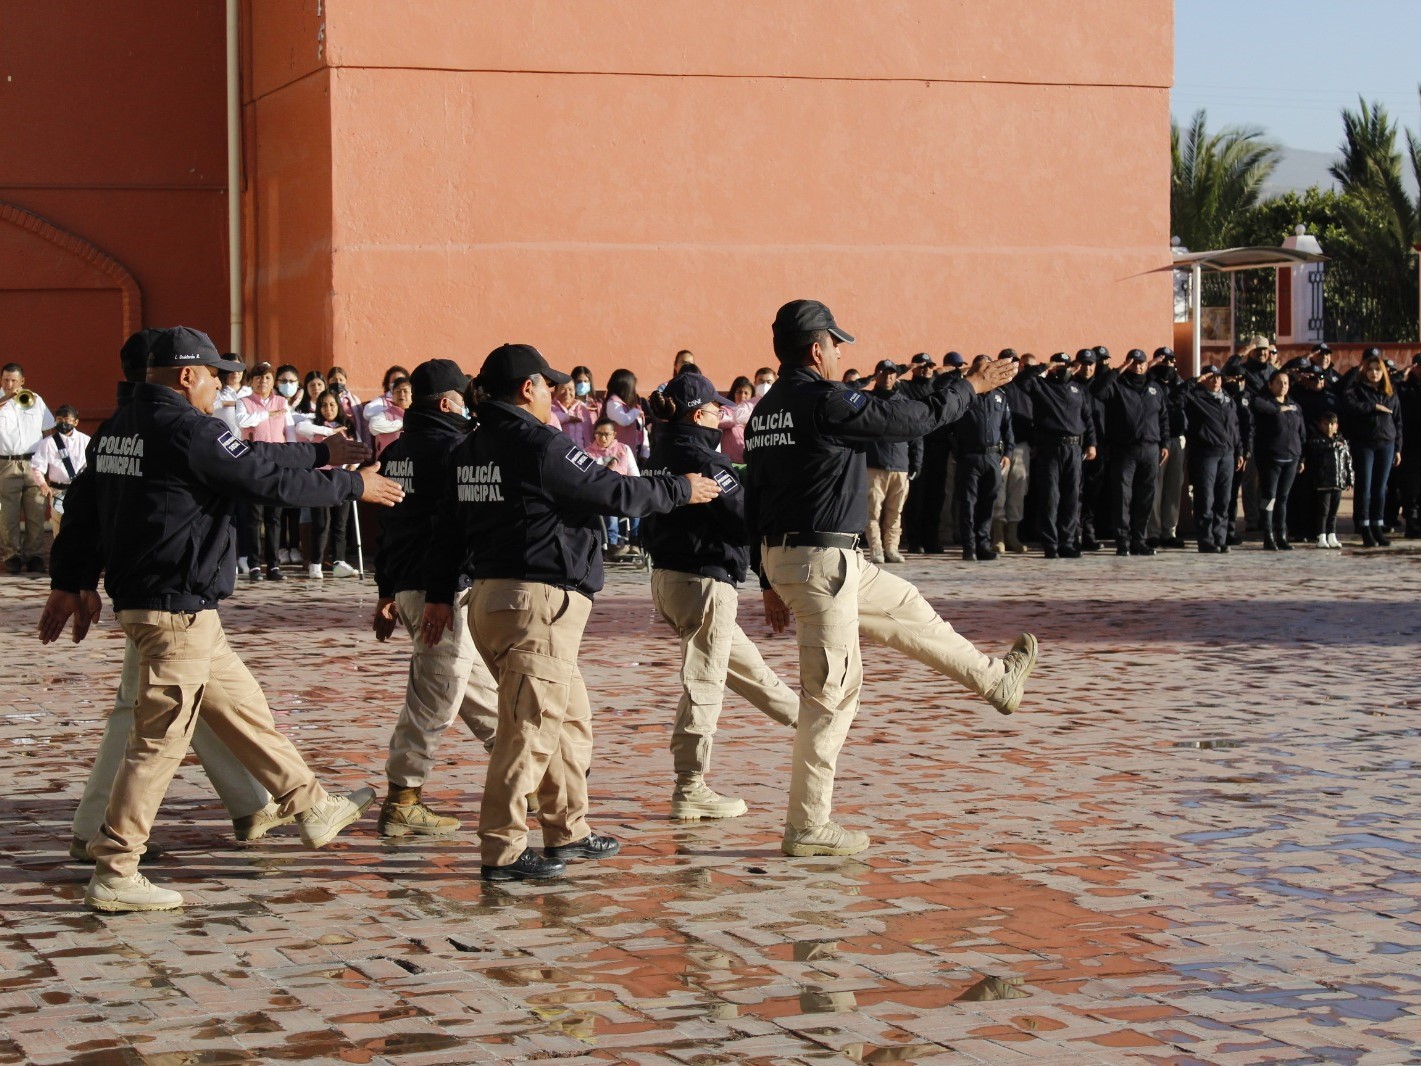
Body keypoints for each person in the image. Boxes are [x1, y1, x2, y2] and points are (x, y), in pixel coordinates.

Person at [39, 326, 405, 912]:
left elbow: (83, 508)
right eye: (216, 375)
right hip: (173, 604)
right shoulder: (187, 428)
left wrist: (70, 579)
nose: (220, 385)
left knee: (241, 706)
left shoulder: (119, 428)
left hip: (172, 605)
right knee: (157, 742)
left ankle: (308, 804)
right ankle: (116, 868)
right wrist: (349, 484)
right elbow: (262, 478)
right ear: (188, 376)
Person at [745, 300, 1035, 859]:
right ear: (815, 349)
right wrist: (969, 386)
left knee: (909, 608)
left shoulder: (769, 410)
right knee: (831, 695)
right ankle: (808, 826)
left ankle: (996, 680)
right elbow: (908, 422)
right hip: (819, 563)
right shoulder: (824, 401)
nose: (842, 352)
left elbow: (755, 496)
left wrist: (765, 579)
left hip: (808, 560)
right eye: (837, 344)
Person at [421, 343, 720, 882]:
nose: (556, 393)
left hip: (495, 599)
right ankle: (503, 850)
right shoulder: (540, 444)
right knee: (530, 729)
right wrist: (682, 488)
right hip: (537, 605)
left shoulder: (468, 449)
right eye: (547, 384)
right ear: (526, 388)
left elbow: (446, 528)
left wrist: (441, 593)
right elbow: (611, 492)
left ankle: (568, 830)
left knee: (568, 722)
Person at [642, 372, 799, 820]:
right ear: (698, 414)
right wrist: (771, 579)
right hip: (703, 582)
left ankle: (811, 722)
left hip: (669, 579)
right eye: (715, 408)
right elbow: (744, 522)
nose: (722, 413)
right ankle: (690, 785)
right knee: (705, 681)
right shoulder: (705, 461)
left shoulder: (662, 450)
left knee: (745, 666)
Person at [371, 359, 499, 836]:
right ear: (448, 403)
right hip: (441, 592)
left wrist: (386, 589)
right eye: (464, 399)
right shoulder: (455, 450)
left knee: (480, 692)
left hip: (410, 584)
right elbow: (449, 530)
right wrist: (441, 593)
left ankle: (528, 775)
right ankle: (404, 796)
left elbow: (390, 527)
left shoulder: (398, 450)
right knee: (435, 694)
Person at [1014, 352, 1097, 558]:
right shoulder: (1041, 386)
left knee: (1071, 497)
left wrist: (1092, 443)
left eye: (1066, 365)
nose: (1063, 369)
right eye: (1059, 366)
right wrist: (1045, 366)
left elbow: (1087, 418)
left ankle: (1067, 542)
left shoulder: (1078, 389)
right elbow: (1020, 380)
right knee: (1050, 497)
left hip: (1075, 449)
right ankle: (1051, 544)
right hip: (1050, 448)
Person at [1096, 349, 1169, 555]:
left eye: (1141, 363)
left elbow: (1163, 418)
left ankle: (1139, 540)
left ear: (1147, 365)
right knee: (1123, 497)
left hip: (1151, 449)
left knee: (1145, 497)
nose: (1138, 366)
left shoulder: (1154, 388)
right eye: (1134, 362)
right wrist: (1119, 370)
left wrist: (1165, 444)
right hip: (1125, 450)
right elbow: (1098, 391)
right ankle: (1122, 542)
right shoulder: (1117, 386)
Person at [952, 360, 1013, 561]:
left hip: (993, 457)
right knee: (968, 504)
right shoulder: (967, 396)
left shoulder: (999, 396)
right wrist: (958, 454)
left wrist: (1008, 453)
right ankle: (969, 547)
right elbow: (951, 429)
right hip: (970, 456)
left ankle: (983, 544)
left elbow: (1007, 427)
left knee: (988, 502)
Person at [238, 362, 292, 579]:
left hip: (277, 463)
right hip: (253, 463)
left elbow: (290, 431)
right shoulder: (244, 402)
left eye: (267, 378)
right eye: (259, 378)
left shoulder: (282, 402)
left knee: (274, 517)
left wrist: (293, 457)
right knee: (254, 516)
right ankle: (253, 564)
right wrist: (266, 415)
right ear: (251, 381)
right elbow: (243, 420)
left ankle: (274, 564)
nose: (263, 382)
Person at [1343, 351, 1404, 548]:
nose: (1374, 373)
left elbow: (1398, 421)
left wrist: (1398, 448)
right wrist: (1373, 407)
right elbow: (1349, 403)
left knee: (1380, 488)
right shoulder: (1358, 389)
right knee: (1365, 487)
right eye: (1370, 370)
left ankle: (1378, 525)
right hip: (1364, 443)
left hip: (1387, 443)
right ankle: (1364, 526)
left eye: (1377, 370)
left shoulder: (1391, 391)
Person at [296, 390, 359, 578]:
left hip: (343, 477)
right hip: (320, 480)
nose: (328, 408)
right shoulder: (313, 426)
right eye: (324, 405)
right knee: (321, 523)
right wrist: (330, 431)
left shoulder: (347, 426)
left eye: (332, 404)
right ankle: (316, 562)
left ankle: (339, 561)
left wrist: (352, 468)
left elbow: (357, 449)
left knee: (340, 523)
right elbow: (300, 428)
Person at [1181, 366, 1244, 553]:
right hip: (1206, 454)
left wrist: (1239, 450)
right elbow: (1176, 397)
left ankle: (1220, 538)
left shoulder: (1228, 400)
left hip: (1227, 454)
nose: (1216, 381)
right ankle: (1206, 540)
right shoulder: (1195, 397)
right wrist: (1195, 380)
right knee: (1205, 499)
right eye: (1211, 378)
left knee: (1224, 499)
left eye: (1218, 378)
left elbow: (1235, 427)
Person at [863, 359, 920, 564]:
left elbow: (916, 434)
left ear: (896, 376)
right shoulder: (866, 399)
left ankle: (892, 547)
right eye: (883, 372)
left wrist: (916, 464)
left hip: (900, 465)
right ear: (876, 374)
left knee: (895, 512)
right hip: (874, 464)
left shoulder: (905, 403)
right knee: (872, 510)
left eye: (891, 373)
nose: (887, 376)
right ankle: (876, 548)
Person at [0, 361, 56, 573]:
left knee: (36, 511)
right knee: (8, 514)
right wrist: (6, 399)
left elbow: (47, 431)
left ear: (22, 381)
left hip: (34, 463)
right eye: (6, 380)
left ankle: (34, 555)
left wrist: (49, 463)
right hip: (6, 463)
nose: (10, 384)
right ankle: (11, 555)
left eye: (14, 380)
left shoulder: (35, 400)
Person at [1251, 370, 1306, 551]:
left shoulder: (1295, 406)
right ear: (1270, 384)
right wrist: (1277, 409)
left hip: (1292, 457)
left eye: (1286, 383)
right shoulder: (1265, 403)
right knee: (1269, 497)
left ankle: (1282, 534)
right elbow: (1256, 403)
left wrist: (1302, 457)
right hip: (1271, 458)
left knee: (1283, 498)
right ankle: (1268, 535)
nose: (1283, 386)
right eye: (1279, 383)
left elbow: (1301, 433)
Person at [994, 350, 1034, 553]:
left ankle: (1013, 535)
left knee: (1018, 489)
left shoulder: (1026, 385)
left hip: (1020, 447)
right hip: (999, 447)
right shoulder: (996, 386)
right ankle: (998, 536)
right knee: (998, 491)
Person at [29, 404, 88, 534]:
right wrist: (42, 484)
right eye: (59, 419)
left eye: (66, 420)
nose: (62, 423)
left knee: (80, 527)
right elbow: (37, 467)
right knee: (58, 526)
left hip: (80, 490)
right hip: (58, 491)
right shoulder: (48, 443)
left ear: (76, 422)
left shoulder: (85, 440)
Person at [1305, 412, 1352, 549]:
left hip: (1338, 481)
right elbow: (1316, 449)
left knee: (1333, 511)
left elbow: (1347, 461)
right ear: (1320, 425)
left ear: (1336, 426)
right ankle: (1321, 535)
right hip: (1323, 482)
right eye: (1325, 424)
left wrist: (1349, 478)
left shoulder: (1342, 441)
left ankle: (1332, 534)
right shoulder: (1317, 440)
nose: (1329, 427)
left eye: (1332, 424)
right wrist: (1332, 446)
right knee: (1323, 510)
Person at [602, 369, 648, 460]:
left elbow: (642, 431)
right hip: (616, 456)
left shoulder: (632, 407)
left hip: (634, 453)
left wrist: (645, 453)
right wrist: (636, 412)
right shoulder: (612, 404)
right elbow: (624, 420)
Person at [717, 376, 756, 463]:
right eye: (739, 392)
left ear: (751, 396)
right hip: (730, 461)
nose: (742, 396)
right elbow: (719, 422)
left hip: (749, 460)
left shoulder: (755, 411)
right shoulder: (725, 409)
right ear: (733, 393)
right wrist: (736, 419)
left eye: (746, 393)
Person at [551, 379, 597, 448]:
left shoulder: (582, 408)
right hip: (560, 453)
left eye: (570, 389)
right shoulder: (550, 408)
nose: (567, 393)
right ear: (556, 391)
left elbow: (590, 433)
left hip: (582, 453)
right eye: (563, 389)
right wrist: (567, 418)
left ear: (575, 391)